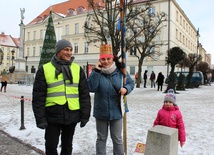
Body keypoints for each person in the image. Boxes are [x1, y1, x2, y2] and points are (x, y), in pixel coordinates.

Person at [32, 39, 91, 155]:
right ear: (58, 51)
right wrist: (40, 119)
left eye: (70, 50)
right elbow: (38, 97)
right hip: (52, 115)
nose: (69, 53)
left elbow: (84, 94)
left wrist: (85, 115)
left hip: (72, 114)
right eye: (66, 50)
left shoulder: (77, 69)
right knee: (51, 146)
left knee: (67, 146)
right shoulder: (45, 69)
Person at [87, 44, 134, 155]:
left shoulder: (121, 72)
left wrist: (126, 89)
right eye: (103, 59)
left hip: (117, 111)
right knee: (101, 138)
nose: (106, 61)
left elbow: (131, 83)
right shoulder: (96, 73)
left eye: (108, 59)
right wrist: (97, 71)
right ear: (100, 60)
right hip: (101, 110)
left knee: (117, 138)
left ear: (113, 58)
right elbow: (91, 88)